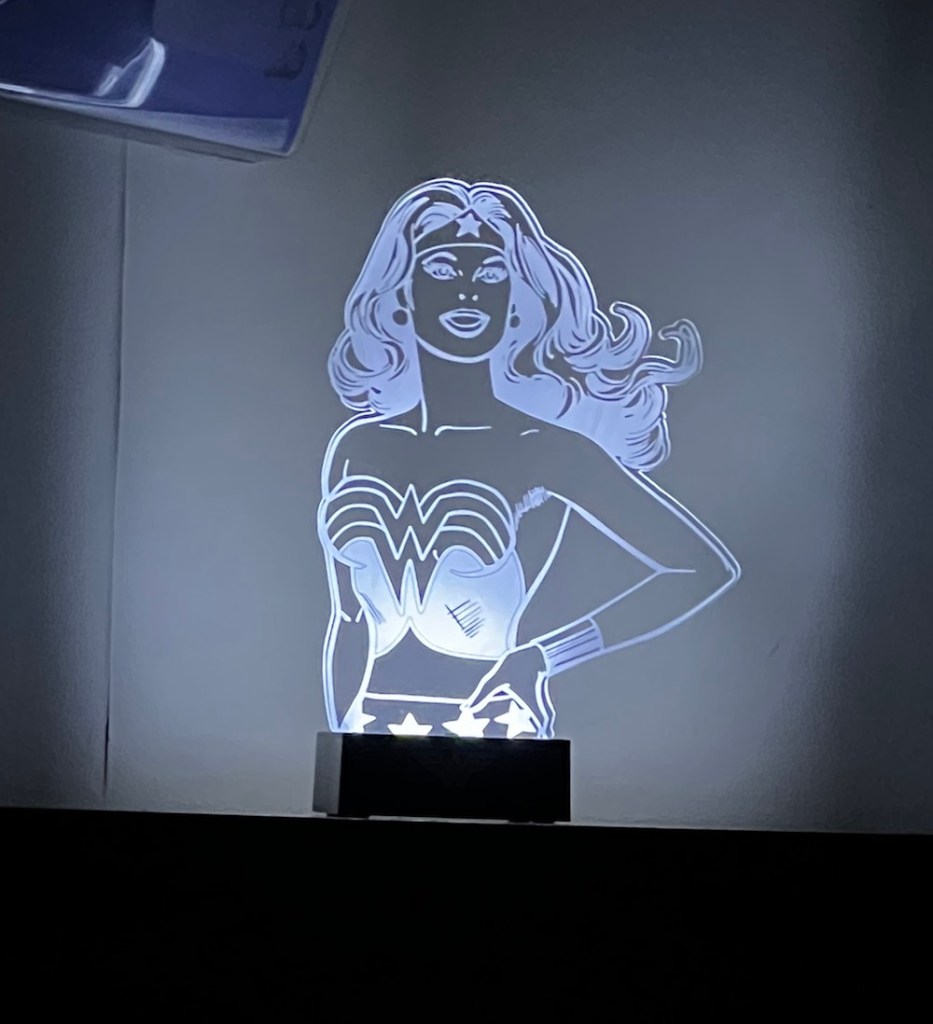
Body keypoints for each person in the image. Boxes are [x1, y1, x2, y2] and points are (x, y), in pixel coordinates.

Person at [318, 178, 739, 739]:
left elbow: (697, 567)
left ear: (515, 303)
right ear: (403, 294)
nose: (468, 292)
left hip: (492, 727)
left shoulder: (544, 448)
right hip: (370, 727)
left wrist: (541, 659)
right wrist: (342, 734)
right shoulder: (358, 447)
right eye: (442, 270)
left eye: (491, 275)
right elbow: (348, 620)